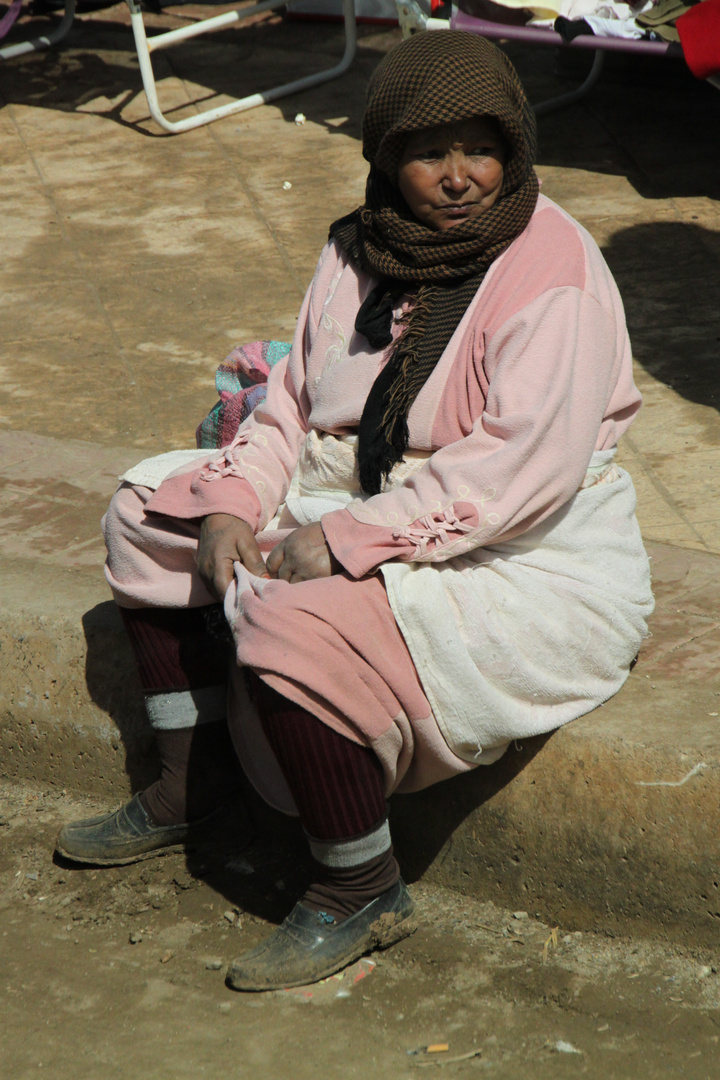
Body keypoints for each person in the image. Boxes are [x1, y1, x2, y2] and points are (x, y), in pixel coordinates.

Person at [56, 30, 654, 991]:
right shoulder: (356, 246)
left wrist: (344, 540)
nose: (459, 177)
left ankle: (358, 885)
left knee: (294, 619)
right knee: (149, 510)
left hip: (519, 542)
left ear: (516, 146)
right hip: (351, 487)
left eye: (481, 148)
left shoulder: (556, 273)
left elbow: (520, 469)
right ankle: (190, 782)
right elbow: (293, 395)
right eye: (428, 152)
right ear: (385, 158)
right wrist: (238, 503)